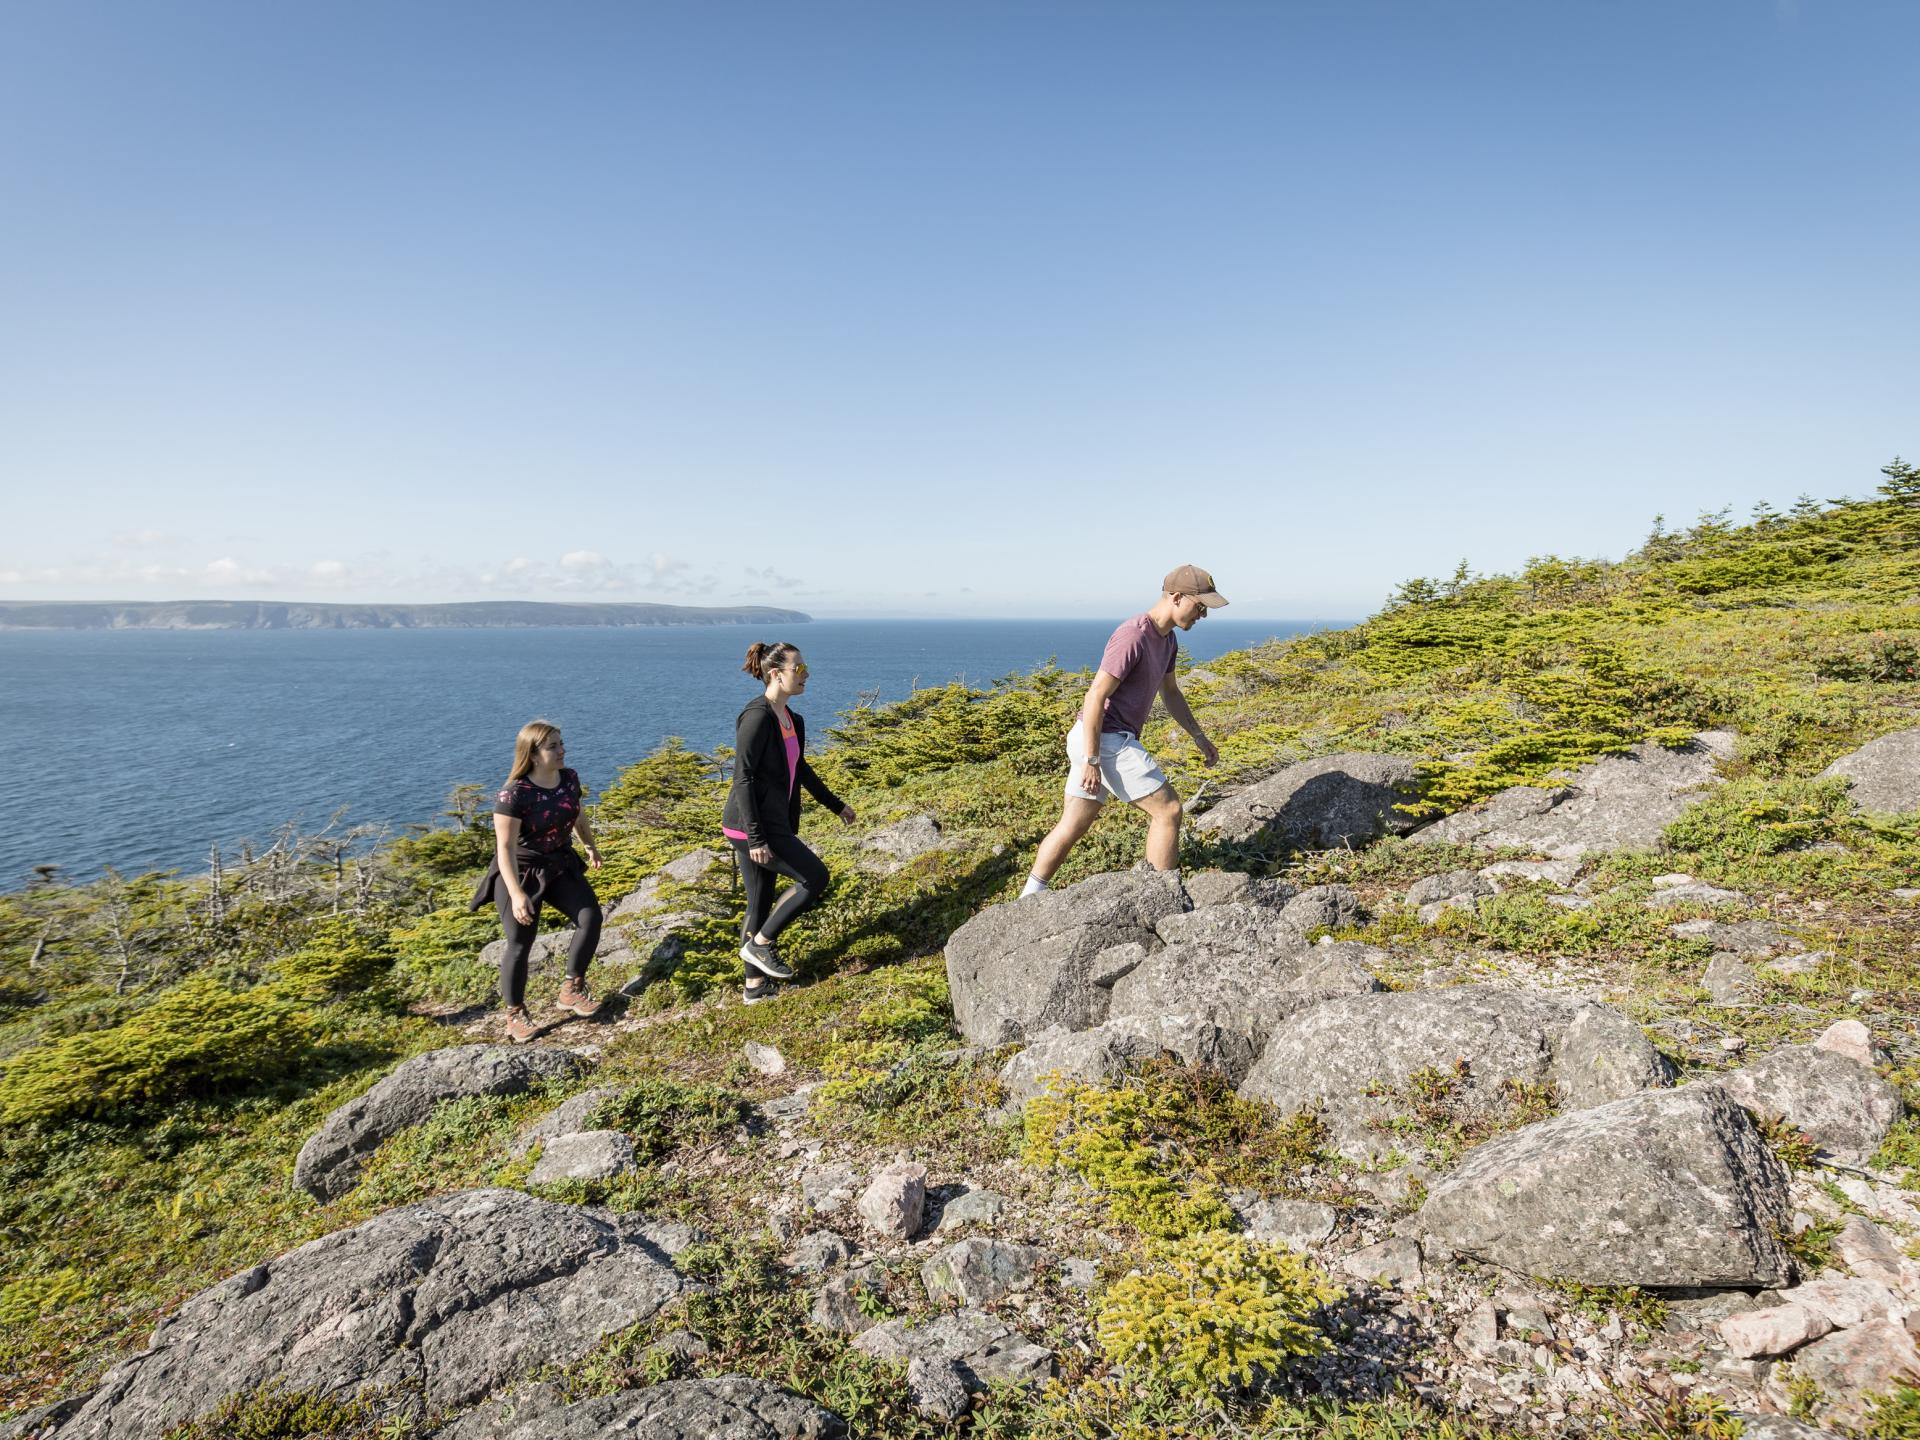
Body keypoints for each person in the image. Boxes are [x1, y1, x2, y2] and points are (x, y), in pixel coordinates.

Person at [1021, 565, 1225, 895]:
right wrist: (1092, 758)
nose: (1203, 614)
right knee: (1169, 810)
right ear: (1175, 597)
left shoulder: (1167, 640)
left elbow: (1171, 692)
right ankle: (1162, 898)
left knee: (1074, 823)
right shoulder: (1134, 634)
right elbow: (1096, 695)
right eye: (1200, 605)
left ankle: (1028, 898)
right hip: (1104, 736)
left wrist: (1199, 737)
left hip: (1098, 737)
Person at [722, 642, 857, 1004]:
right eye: (798, 668)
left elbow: (801, 769)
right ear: (775, 673)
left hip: (770, 821)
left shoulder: (792, 719)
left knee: (759, 902)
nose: (806, 673)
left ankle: (753, 988)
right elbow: (743, 779)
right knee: (814, 877)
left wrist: (835, 804)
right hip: (750, 826)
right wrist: (756, 838)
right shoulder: (756, 717)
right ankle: (761, 944)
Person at [469, 720, 605, 1043]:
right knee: (520, 941)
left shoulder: (568, 778)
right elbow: (504, 849)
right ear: (532, 754)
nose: (562, 750)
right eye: (553, 746)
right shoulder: (513, 794)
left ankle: (572, 988)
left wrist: (589, 845)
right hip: (520, 871)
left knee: (591, 917)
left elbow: (577, 812)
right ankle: (514, 1015)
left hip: (559, 863)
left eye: (561, 743)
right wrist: (516, 894)